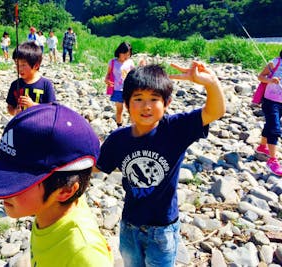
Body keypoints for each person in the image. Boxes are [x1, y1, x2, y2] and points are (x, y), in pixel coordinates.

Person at [95, 62, 225, 267]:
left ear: (167, 103)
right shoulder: (118, 139)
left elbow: (215, 112)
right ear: (126, 103)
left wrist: (211, 83)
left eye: (154, 99)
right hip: (129, 225)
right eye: (138, 99)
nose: (146, 106)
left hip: (163, 229)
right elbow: (96, 167)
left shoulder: (175, 129)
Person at [0, 103, 114, 267]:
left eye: (16, 184)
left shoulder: (85, 253)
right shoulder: (52, 209)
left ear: (66, 190)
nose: (3, 193)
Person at [6, 41, 56, 116]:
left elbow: (52, 109)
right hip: (21, 125)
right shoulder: (15, 84)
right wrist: (15, 111)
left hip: (40, 125)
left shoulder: (46, 84)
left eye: (23, 65)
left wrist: (33, 105)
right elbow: (10, 107)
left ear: (36, 66)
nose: (19, 68)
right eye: (17, 64)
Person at [255, 50, 282, 176]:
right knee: (274, 128)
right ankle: (272, 160)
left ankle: (262, 147)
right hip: (270, 101)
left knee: (270, 124)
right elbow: (260, 77)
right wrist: (271, 80)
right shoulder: (275, 63)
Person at [104, 41, 135, 127]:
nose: (126, 56)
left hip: (129, 89)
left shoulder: (130, 62)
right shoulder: (112, 62)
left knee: (132, 109)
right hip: (117, 90)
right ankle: (119, 127)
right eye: (125, 54)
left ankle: (134, 128)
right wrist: (107, 81)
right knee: (119, 110)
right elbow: (107, 75)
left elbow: (135, 75)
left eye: (128, 54)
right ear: (119, 52)